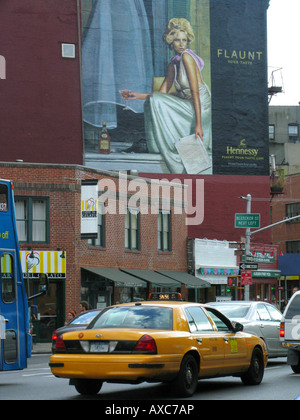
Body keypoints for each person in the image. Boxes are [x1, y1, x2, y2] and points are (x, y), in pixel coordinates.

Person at [121, 18, 212, 174]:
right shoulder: (173, 63)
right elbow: (161, 94)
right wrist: (137, 95)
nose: (182, 44)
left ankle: (171, 150)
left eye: (184, 40)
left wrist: (198, 125)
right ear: (171, 42)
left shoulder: (187, 58)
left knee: (156, 100)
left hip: (201, 105)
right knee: (153, 100)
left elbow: (196, 92)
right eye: (177, 40)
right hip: (188, 103)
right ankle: (155, 145)